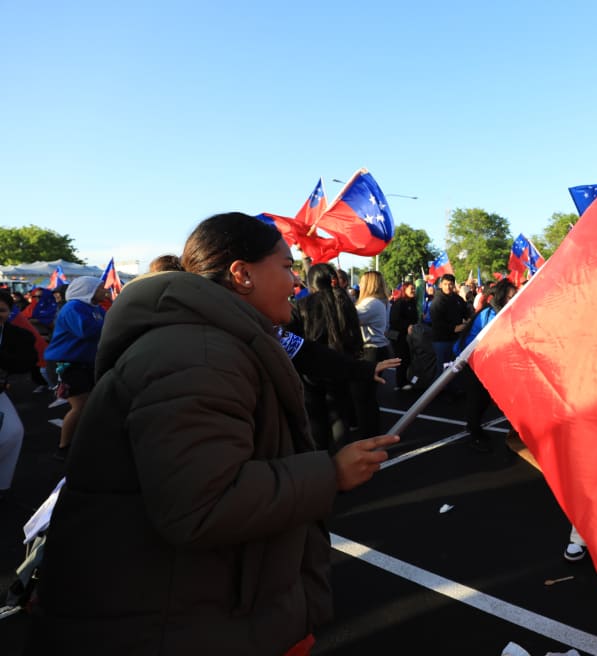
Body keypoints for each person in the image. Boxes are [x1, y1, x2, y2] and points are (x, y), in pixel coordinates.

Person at [27, 212, 399, 654]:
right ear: (241, 274)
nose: (295, 283)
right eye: (285, 267)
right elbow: (202, 504)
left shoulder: (219, 338)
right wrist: (330, 473)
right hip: (168, 618)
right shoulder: (198, 352)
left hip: (185, 604)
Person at [287, 263, 365, 452]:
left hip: (310, 373)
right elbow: (355, 338)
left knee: (316, 421)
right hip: (341, 369)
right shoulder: (345, 302)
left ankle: (321, 464)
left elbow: (293, 342)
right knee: (340, 419)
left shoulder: (302, 305)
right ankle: (345, 461)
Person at [42, 276, 107, 460]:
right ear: (90, 290)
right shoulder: (73, 307)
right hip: (65, 364)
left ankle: (82, 442)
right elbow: (86, 331)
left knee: (90, 405)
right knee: (80, 406)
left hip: (84, 363)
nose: (105, 290)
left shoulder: (98, 309)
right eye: (101, 288)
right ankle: (63, 448)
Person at [453, 278, 517, 452]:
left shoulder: (503, 312)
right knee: (477, 398)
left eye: (515, 295)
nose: (514, 299)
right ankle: (474, 434)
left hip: (486, 362)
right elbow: (488, 341)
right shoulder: (489, 314)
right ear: (502, 296)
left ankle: (475, 428)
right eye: (511, 296)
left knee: (484, 399)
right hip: (470, 362)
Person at [0, 290, 38, 499]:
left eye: (2, 310)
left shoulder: (18, 335)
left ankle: (2, 485)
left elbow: (25, 362)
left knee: (13, 433)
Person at [352, 271, 392, 438]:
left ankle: (367, 434)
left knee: (362, 396)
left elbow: (350, 319)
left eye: (362, 282)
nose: (360, 285)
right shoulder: (382, 302)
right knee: (369, 395)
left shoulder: (371, 303)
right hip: (378, 349)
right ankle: (371, 431)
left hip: (371, 351)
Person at [430, 273, 470, 368]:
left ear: (453, 284)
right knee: (443, 370)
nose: (448, 287)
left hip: (456, 339)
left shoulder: (458, 299)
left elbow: (466, 312)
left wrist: (469, 319)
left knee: (455, 369)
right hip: (442, 341)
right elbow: (437, 322)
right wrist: (454, 328)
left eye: (450, 284)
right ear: (441, 285)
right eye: (445, 284)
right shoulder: (437, 301)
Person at [387, 278, 418, 390]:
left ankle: (405, 380)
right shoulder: (399, 303)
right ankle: (400, 383)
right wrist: (407, 326)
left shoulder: (412, 302)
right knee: (401, 358)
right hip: (398, 336)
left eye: (414, 288)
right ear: (404, 290)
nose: (413, 290)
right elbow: (394, 320)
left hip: (408, 336)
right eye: (411, 288)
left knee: (407, 358)